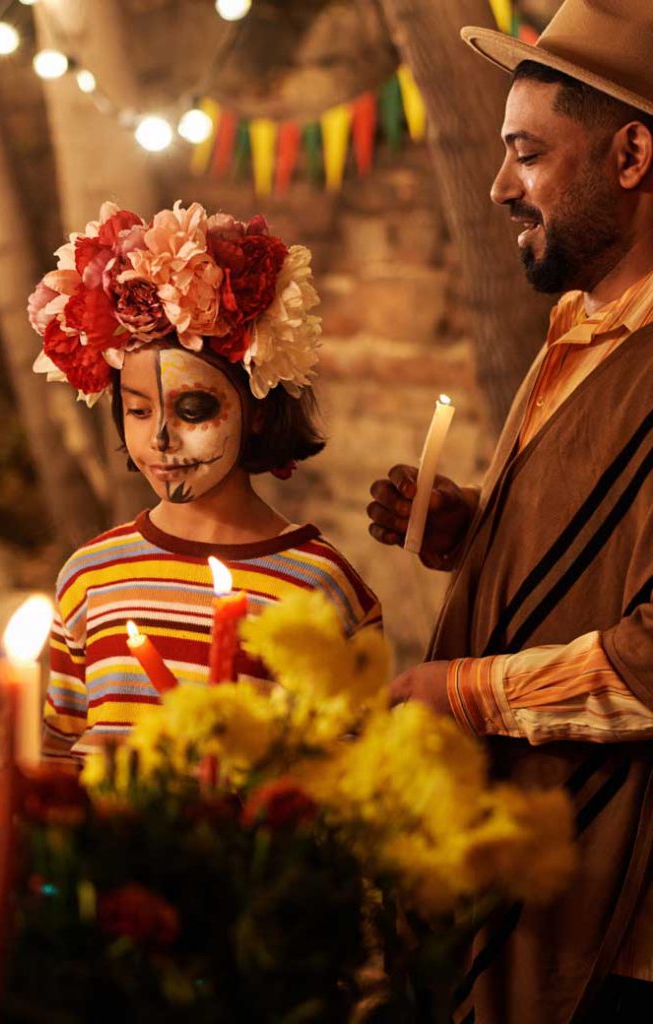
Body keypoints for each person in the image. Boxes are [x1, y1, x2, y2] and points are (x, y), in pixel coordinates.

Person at [366, 2, 653, 1020]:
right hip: (528, 865)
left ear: (630, 153)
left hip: (623, 921)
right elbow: (597, 529)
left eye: (527, 154)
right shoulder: (582, 321)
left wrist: (464, 692)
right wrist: (472, 526)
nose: (498, 188)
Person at [30, 202, 381, 765]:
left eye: (193, 410)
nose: (161, 439)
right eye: (138, 411)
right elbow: (61, 751)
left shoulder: (322, 589)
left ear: (260, 409)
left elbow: (351, 775)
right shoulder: (90, 575)